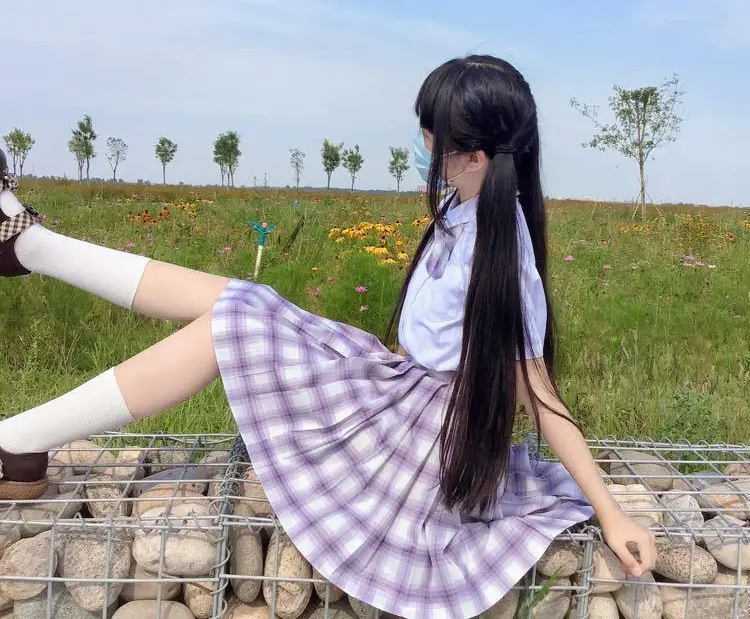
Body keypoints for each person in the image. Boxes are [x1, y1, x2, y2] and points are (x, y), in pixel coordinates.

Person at [0, 55, 656, 619]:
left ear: (475, 157)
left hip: (416, 444)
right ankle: (32, 252)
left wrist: (610, 512)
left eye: (430, 138)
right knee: (244, 301)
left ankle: (19, 418)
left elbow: (540, 395)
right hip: (401, 393)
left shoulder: (503, 255)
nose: (423, 148)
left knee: (232, 321)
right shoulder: (468, 208)